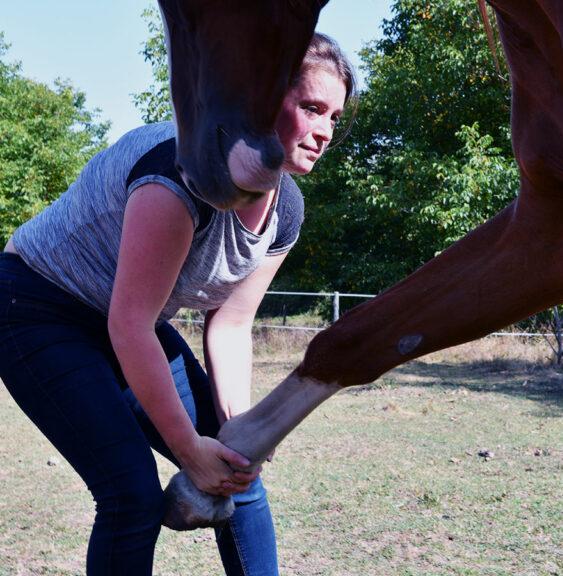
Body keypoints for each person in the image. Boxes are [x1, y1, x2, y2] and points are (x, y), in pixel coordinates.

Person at [0, 33, 357, 576]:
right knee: (131, 493)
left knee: (240, 467)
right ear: (259, 99)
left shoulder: (286, 209)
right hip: (37, 304)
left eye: (334, 115)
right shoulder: (178, 177)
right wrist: (188, 448)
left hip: (123, 319)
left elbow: (232, 324)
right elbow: (132, 324)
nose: (326, 131)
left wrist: (239, 431)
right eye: (311, 108)